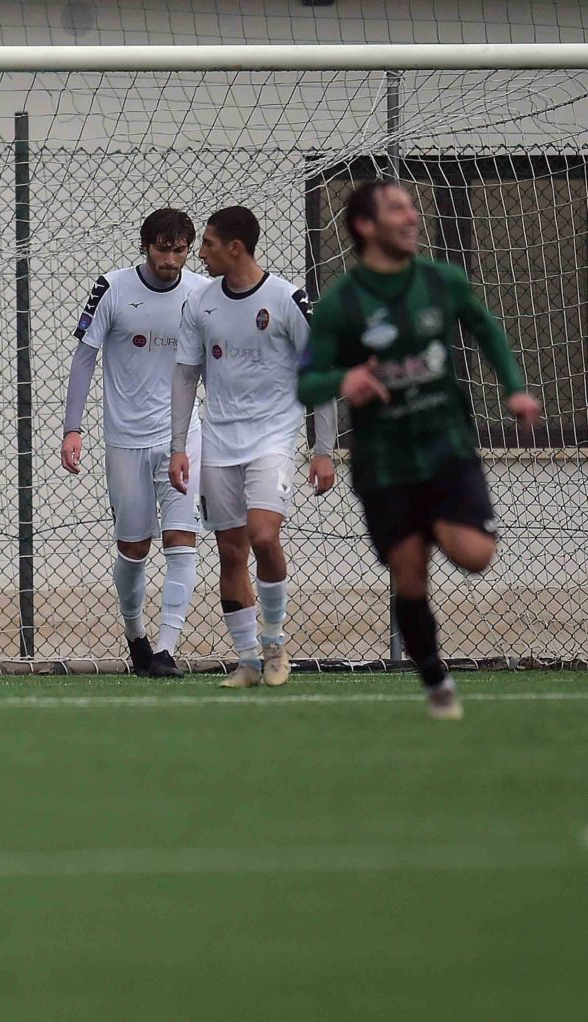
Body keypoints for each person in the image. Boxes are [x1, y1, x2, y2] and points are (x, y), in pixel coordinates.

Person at [298, 181, 541, 719]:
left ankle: (432, 519)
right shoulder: (341, 304)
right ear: (366, 225)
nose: (412, 216)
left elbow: (486, 330)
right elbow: (304, 382)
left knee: (475, 556)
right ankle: (434, 677)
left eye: (413, 207)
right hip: (384, 462)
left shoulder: (441, 281)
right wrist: (344, 379)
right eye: (397, 208)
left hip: (445, 446)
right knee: (409, 576)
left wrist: (514, 388)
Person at [169, 206, 338, 689]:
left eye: (207, 244)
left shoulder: (286, 298)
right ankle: (246, 661)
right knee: (230, 551)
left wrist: (323, 449)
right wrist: (179, 446)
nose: (200, 254)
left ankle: (275, 644)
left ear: (235, 247)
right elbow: (185, 377)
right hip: (220, 442)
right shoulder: (199, 302)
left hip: (272, 439)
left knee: (264, 536)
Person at [62, 208, 208, 676]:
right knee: (134, 548)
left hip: (183, 439)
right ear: (145, 246)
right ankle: (136, 637)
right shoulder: (112, 287)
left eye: (180, 250)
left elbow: (217, 361)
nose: (171, 259)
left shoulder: (202, 293)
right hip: (125, 441)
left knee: (181, 540)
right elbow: (84, 358)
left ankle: (166, 649)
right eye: (162, 249)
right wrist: (72, 428)